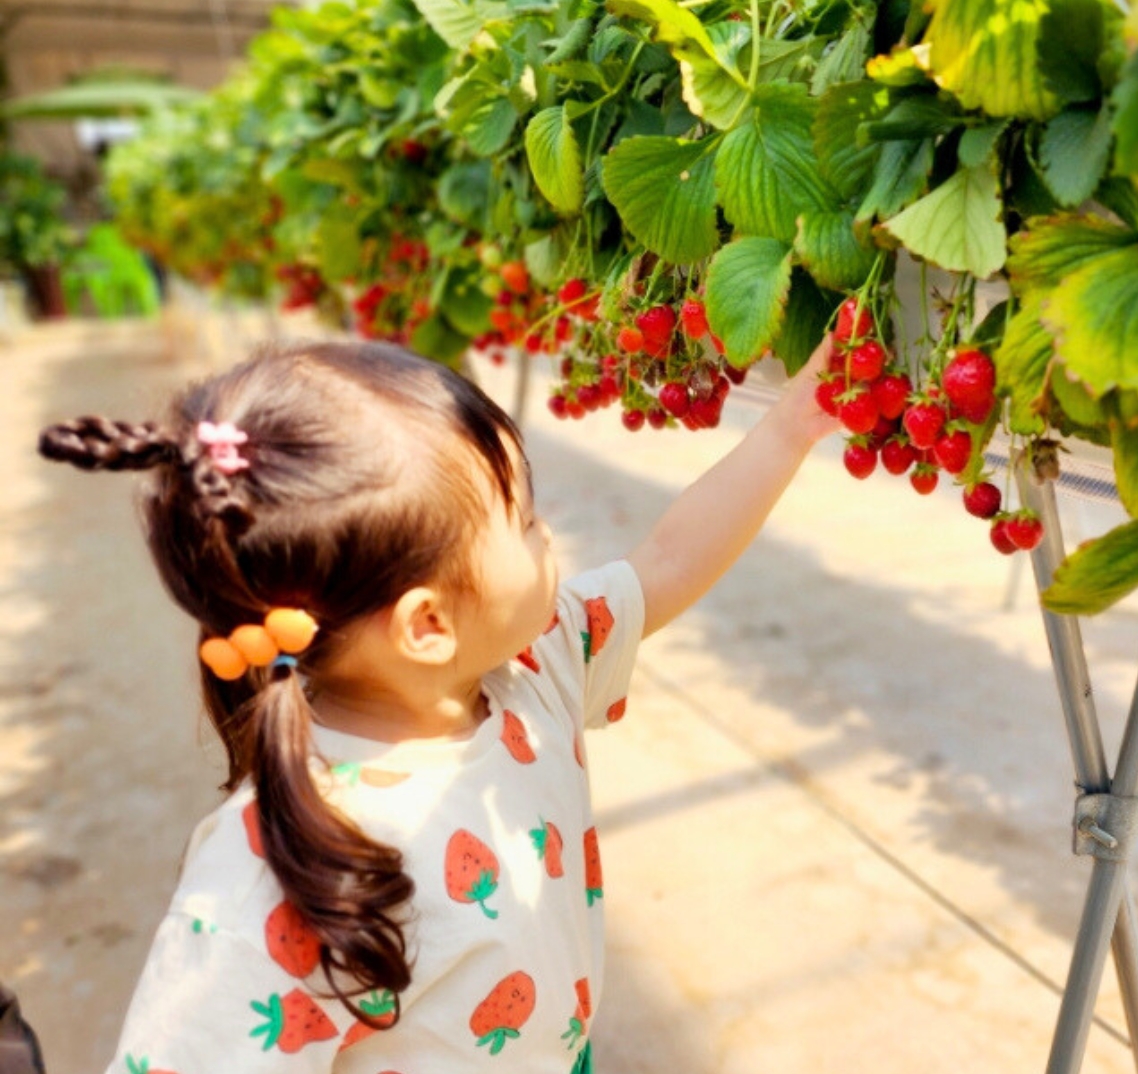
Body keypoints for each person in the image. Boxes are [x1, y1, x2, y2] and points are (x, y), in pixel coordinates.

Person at [37, 336, 836, 1073]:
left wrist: (793, 425)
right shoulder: (287, 869)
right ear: (428, 624)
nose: (548, 535)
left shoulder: (533, 667)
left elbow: (665, 562)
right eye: (523, 523)